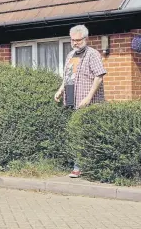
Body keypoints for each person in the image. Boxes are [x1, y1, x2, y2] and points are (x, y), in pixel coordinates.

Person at [54, 24, 107, 178]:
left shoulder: (93, 54)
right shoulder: (70, 55)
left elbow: (99, 76)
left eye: (78, 40)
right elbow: (68, 77)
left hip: (88, 103)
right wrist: (60, 90)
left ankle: (80, 168)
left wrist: (89, 97)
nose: (75, 43)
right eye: (72, 40)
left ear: (85, 39)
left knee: (85, 134)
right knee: (76, 134)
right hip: (72, 101)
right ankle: (80, 166)